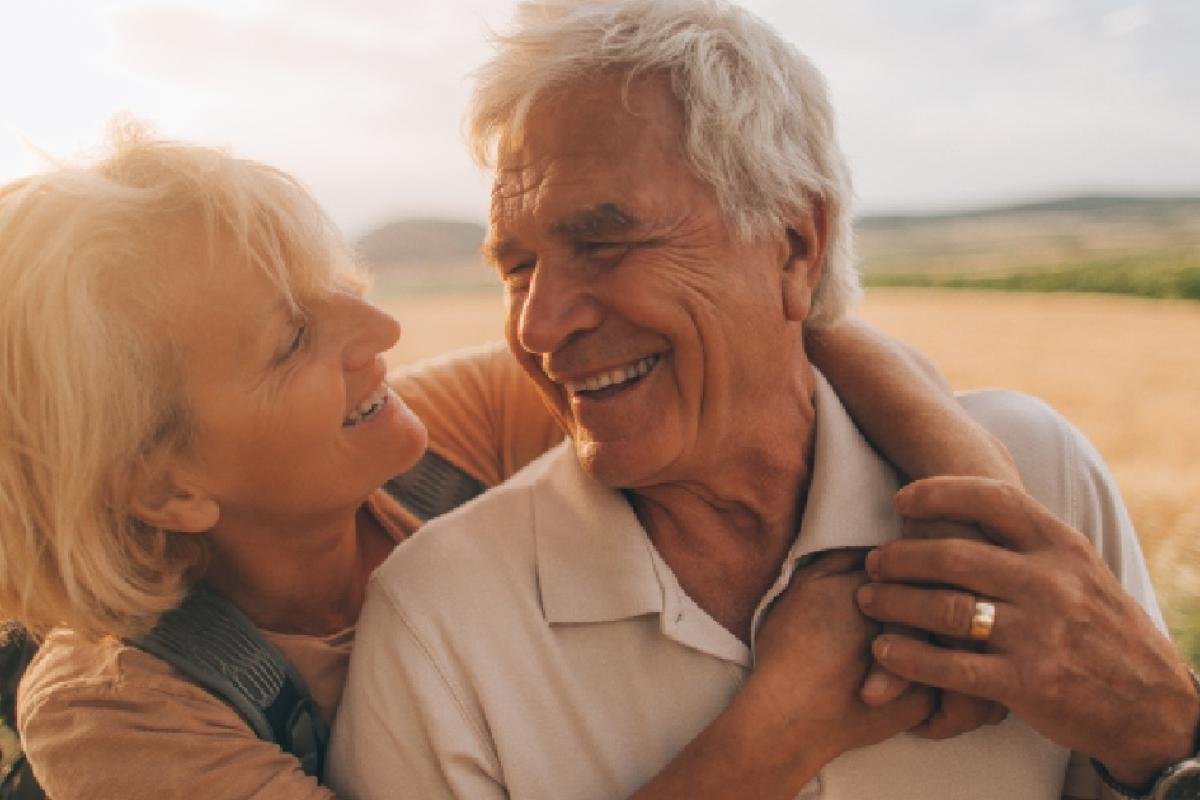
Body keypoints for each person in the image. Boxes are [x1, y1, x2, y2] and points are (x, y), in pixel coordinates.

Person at [327, 1, 1199, 799]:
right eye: (516, 268)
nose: (539, 326)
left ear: (794, 246)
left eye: (603, 243)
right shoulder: (440, 625)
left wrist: (1163, 731)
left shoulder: (1040, 477)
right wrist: (771, 738)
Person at [1, 122, 1023, 799]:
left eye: (338, 286)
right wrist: (781, 728)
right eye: (293, 339)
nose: (380, 330)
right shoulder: (117, 712)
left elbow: (767, 339)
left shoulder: (442, 433)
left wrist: (989, 519)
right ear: (163, 485)